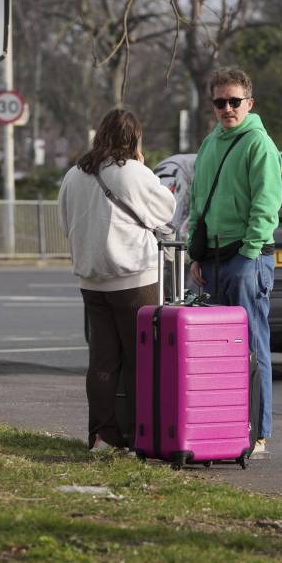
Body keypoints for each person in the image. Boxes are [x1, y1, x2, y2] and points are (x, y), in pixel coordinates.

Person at [59, 109, 176, 452]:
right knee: (141, 360)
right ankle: (142, 433)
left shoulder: (74, 175)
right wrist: (142, 165)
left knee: (102, 362)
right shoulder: (133, 172)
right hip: (134, 277)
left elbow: (66, 224)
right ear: (134, 139)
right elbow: (165, 209)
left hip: (92, 280)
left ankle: (102, 435)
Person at [187, 67, 282, 457]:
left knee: (252, 346)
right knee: (217, 350)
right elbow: (197, 202)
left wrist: (248, 253)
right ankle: (223, 426)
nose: (227, 108)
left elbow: (266, 204)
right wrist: (197, 253)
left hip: (246, 258)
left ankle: (257, 433)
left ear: (249, 103)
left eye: (234, 101)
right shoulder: (210, 144)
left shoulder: (258, 144)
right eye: (220, 102)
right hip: (212, 259)